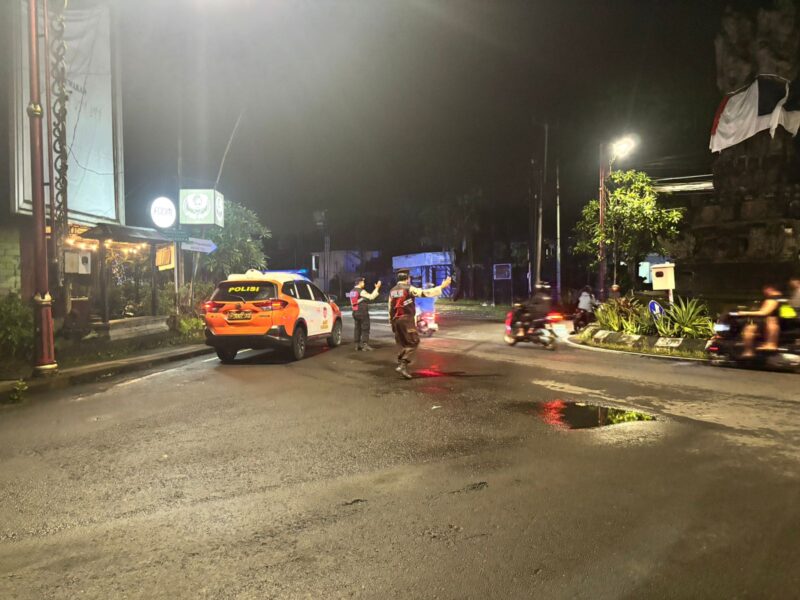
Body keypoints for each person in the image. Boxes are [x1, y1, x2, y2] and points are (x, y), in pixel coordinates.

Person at [389, 270, 452, 379]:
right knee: (414, 341)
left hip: (397, 320)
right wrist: (441, 287)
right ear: (408, 279)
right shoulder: (409, 288)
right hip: (407, 319)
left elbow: (390, 307)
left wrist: (392, 323)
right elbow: (424, 293)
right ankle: (402, 365)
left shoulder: (392, 290)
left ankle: (402, 364)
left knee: (404, 343)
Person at [739, 285, 785, 357]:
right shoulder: (780, 299)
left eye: (764, 290)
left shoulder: (773, 299)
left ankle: (749, 351)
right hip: (776, 323)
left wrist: (745, 313)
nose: (764, 292)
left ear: (769, 289)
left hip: (772, 323)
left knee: (749, 328)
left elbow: (764, 312)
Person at [348, 277, 381, 351]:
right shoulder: (361, 291)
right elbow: (371, 297)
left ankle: (357, 345)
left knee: (357, 328)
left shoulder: (352, 291)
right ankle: (365, 345)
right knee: (365, 328)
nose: (364, 283)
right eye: (363, 282)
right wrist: (377, 288)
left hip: (355, 312)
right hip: (362, 312)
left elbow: (352, 302)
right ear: (360, 283)